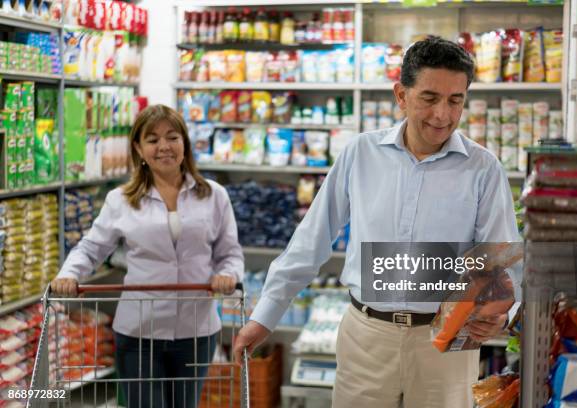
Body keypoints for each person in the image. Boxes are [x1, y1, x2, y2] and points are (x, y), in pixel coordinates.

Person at [234, 37, 520, 408]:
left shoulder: (483, 168)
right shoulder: (360, 153)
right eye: (429, 98)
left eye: (456, 100)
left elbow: (500, 258)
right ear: (401, 95)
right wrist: (266, 315)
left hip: (446, 341)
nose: (443, 115)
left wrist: (502, 312)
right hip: (366, 336)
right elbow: (312, 238)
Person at [51, 105, 244, 408]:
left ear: (185, 144)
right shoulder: (122, 200)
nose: (164, 146)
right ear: (139, 149)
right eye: (152, 140)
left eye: (172, 137)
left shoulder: (214, 195)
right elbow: (91, 248)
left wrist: (228, 275)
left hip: (196, 330)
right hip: (139, 331)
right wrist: (68, 275)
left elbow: (230, 253)